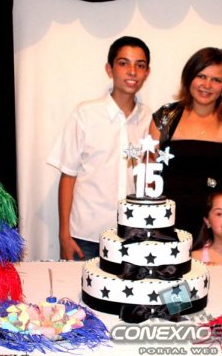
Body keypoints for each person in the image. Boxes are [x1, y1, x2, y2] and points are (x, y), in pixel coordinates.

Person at [48, 36, 152, 260]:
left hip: (131, 236)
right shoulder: (85, 114)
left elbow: (149, 176)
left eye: (140, 65)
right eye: (123, 63)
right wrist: (64, 235)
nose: (132, 71)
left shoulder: (148, 119)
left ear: (147, 72)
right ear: (109, 69)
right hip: (85, 236)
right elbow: (68, 175)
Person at [150, 47, 222, 239]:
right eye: (201, 76)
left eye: (216, 80)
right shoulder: (165, 118)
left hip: (213, 231)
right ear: (189, 77)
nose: (207, 85)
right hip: (165, 227)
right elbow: (148, 174)